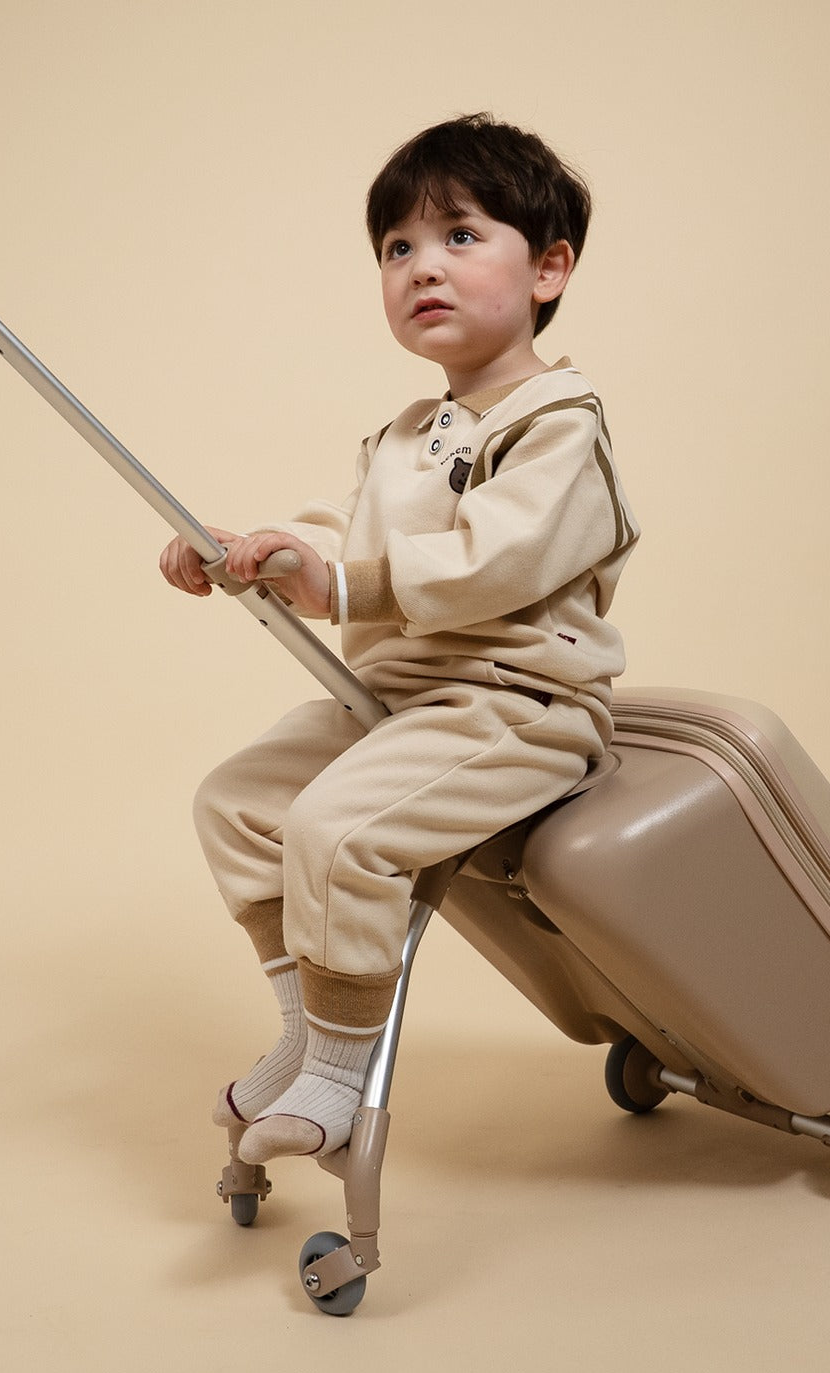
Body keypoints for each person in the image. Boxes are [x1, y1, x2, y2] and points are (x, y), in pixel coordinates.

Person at [159, 113, 639, 1165]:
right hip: (403, 699)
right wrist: (262, 548)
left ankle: (338, 1077)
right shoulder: (412, 425)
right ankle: (304, 1035)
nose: (422, 266)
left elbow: (496, 561)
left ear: (548, 268)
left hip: (514, 702)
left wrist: (339, 583)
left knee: (340, 826)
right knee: (239, 803)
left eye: (459, 236)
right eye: (397, 248)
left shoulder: (560, 418)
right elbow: (347, 530)